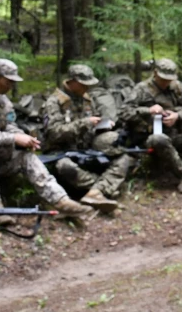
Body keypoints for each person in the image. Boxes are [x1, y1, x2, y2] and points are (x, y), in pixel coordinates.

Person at [0, 59, 93, 224]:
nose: (11, 86)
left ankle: (61, 200)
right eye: (8, 81)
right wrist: (14, 138)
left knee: (25, 156)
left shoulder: (2, 100)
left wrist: (25, 139)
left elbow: (9, 125)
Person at [119, 58, 182, 194]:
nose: (166, 82)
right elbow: (124, 112)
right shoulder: (141, 89)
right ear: (155, 73)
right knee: (158, 139)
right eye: (163, 79)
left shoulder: (177, 87)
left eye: (169, 79)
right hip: (152, 139)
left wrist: (178, 115)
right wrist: (148, 111)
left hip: (178, 134)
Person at [40, 64, 128, 213]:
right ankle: (101, 189)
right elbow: (53, 133)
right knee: (65, 167)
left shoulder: (86, 99)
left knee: (123, 155)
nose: (87, 88)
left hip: (86, 148)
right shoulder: (54, 102)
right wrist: (84, 123)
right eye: (83, 84)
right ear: (72, 82)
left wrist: (101, 126)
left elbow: (91, 124)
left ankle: (96, 192)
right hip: (61, 152)